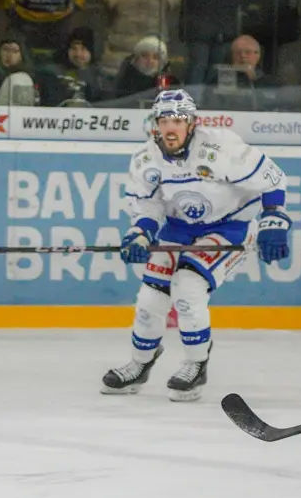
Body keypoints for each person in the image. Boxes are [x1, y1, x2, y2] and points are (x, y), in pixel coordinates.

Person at [102, 89, 289, 402]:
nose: (171, 126)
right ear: (155, 124)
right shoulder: (145, 159)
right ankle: (140, 363)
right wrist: (139, 234)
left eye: (178, 119)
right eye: (165, 119)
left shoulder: (220, 146)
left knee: (188, 286)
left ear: (191, 123)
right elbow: (147, 207)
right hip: (178, 230)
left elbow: (273, 178)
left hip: (229, 227)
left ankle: (196, 363)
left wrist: (274, 219)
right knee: (150, 298)